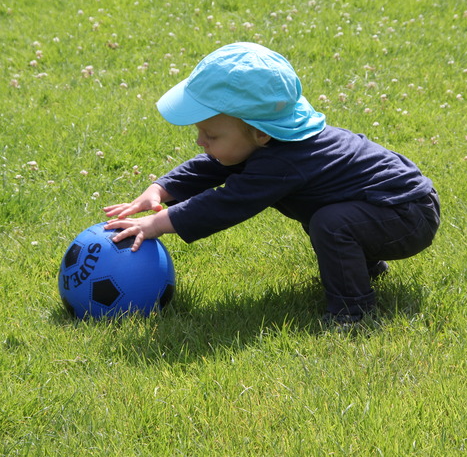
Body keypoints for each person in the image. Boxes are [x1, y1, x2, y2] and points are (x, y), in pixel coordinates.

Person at [104, 42, 440, 326]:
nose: (200, 141)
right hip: (386, 206)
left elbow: (227, 203)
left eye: (211, 135)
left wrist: (156, 224)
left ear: (260, 133)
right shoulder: (269, 140)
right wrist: (161, 189)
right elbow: (213, 166)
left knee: (332, 222)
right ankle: (361, 268)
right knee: (330, 212)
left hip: (407, 215)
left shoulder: (286, 160)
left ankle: (353, 314)